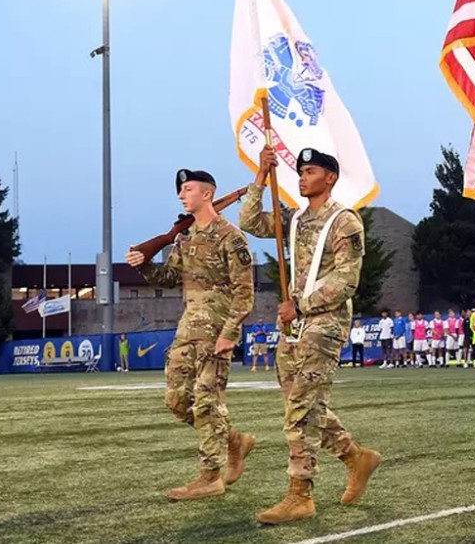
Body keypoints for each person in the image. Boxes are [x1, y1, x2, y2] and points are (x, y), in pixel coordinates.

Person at [239, 147, 381, 524]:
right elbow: (250, 222)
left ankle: (300, 494)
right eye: (300, 171)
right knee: (301, 403)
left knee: (302, 407)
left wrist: (301, 305)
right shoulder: (297, 218)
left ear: (330, 177)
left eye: (311, 171)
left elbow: (346, 280)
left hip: (325, 322)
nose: (302, 177)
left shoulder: (344, 221)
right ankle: (355, 457)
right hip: (295, 323)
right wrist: (260, 175)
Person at [126, 168, 257, 502]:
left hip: (217, 331)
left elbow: (245, 292)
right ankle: (234, 441)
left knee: (207, 400)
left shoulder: (231, 236)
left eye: (187, 189)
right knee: (178, 400)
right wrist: (144, 263)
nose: (182, 195)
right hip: (188, 330)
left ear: (208, 194)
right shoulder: (183, 238)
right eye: (181, 191)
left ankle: (210, 476)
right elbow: (170, 277)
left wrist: (230, 332)